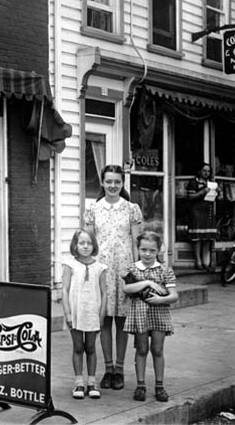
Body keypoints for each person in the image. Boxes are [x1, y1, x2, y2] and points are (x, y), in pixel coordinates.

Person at [84, 164, 142, 390]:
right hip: (102, 271)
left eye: (117, 181)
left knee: (121, 321)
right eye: (108, 181)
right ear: (102, 182)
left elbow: (137, 243)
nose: (112, 185)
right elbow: (87, 243)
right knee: (104, 320)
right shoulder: (93, 209)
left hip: (125, 272)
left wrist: (138, 272)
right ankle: (107, 369)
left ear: (122, 183)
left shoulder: (131, 209)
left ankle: (119, 369)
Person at [122, 230, 178, 402]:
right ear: (138, 249)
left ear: (158, 250)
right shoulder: (132, 269)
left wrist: (160, 300)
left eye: (152, 251)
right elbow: (126, 289)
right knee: (141, 349)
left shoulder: (165, 271)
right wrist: (147, 282)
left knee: (158, 350)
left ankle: (159, 386)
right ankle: (140, 385)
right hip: (139, 315)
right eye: (144, 249)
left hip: (159, 314)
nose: (147, 254)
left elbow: (173, 296)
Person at [62, 228, 107, 400]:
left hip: (92, 313)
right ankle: (79, 382)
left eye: (89, 243)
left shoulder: (100, 267)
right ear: (75, 245)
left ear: (94, 245)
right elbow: (64, 290)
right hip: (75, 312)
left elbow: (104, 293)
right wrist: (67, 313)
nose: (86, 246)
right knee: (78, 347)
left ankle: (92, 382)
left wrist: (101, 314)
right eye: (81, 243)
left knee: (90, 347)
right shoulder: (69, 265)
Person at [186, 162, 219, 271]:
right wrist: (202, 192)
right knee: (197, 238)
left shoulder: (211, 183)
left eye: (208, 171)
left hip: (208, 211)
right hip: (197, 212)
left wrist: (217, 192)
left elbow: (215, 198)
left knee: (207, 237)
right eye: (204, 170)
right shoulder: (194, 182)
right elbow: (190, 197)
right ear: (199, 171)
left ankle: (206, 261)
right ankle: (198, 261)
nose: (206, 173)